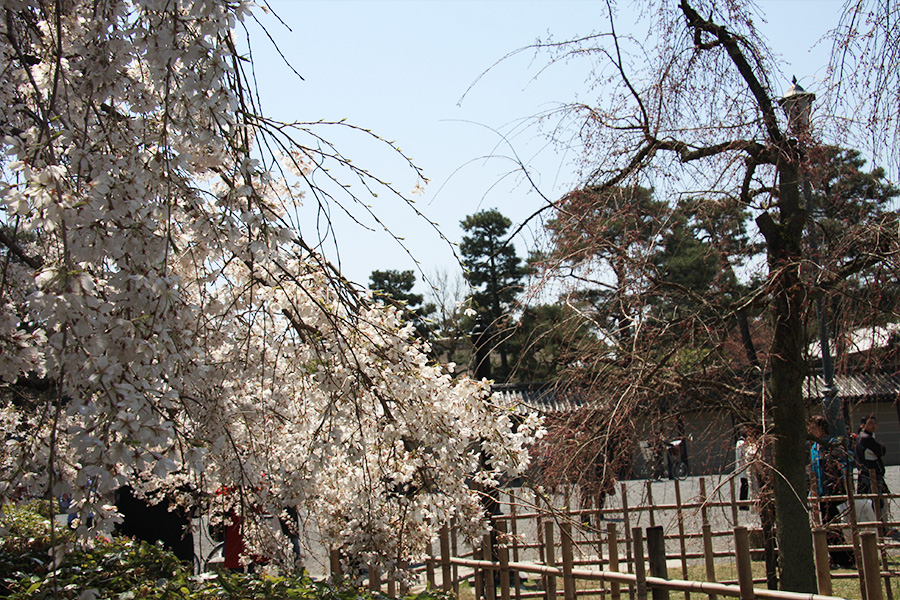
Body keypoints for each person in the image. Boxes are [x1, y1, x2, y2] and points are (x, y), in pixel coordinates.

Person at [808, 415, 855, 568]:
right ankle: (835, 556)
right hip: (821, 491)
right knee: (826, 525)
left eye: (813, 427)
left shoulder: (832, 444)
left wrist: (839, 474)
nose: (810, 430)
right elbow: (813, 470)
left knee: (834, 524)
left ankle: (844, 558)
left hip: (833, 489)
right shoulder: (814, 447)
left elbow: (846, 460)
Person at [855, 415, 887, 496]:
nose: (873, 425)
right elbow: (881, 451)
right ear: (863, 425)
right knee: (877, 499)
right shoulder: (866, 438)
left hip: (864, 471)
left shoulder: (861, 436)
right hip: (870, 471)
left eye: (874, 423)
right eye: (870, 423)